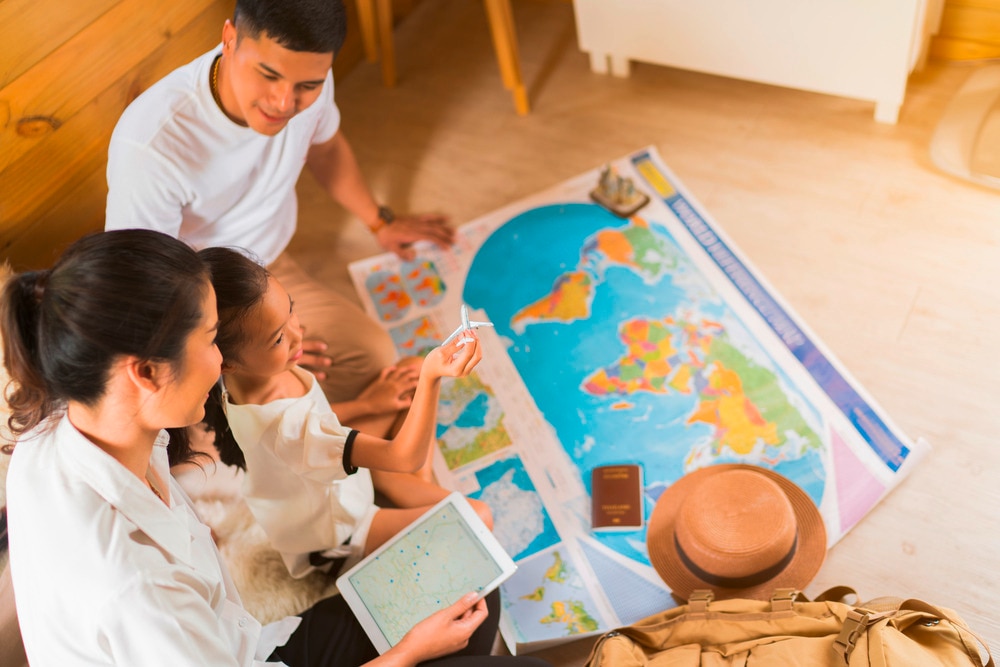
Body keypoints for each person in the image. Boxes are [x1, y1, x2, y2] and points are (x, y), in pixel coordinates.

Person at [0, 229, 548, 666]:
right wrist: (408, 653)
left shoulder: (69, 423)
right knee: (468, 622)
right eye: (214, 339)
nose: (221, 364)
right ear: (145, 372)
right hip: (247, 643)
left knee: (473, 589)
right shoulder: (138, 594)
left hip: (252, 644)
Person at [104, 0, 455, 412]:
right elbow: (145, 287)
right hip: (203, 294)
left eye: (308, 85)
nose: (284, 101)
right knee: (275, 405)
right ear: (230, 40)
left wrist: (380, 222)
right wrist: (254, 344)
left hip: (271, 266)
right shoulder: (151, 143)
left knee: (375, 358)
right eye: (268, 75)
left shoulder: (310, 76)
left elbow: (325, 150)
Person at [196, 246, 490, 578]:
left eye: (291, 311)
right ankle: (402, 488)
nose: (298, 333)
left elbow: (314, 420)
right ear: (229, 360)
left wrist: (369, 405)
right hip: (339, 533)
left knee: (406, 374)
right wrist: (432, 378)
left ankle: (398, 486)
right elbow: (404, 456)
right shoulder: (289, 429)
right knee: (478, 516)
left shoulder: (240, 378)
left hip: (331, 476)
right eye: (278, 339)